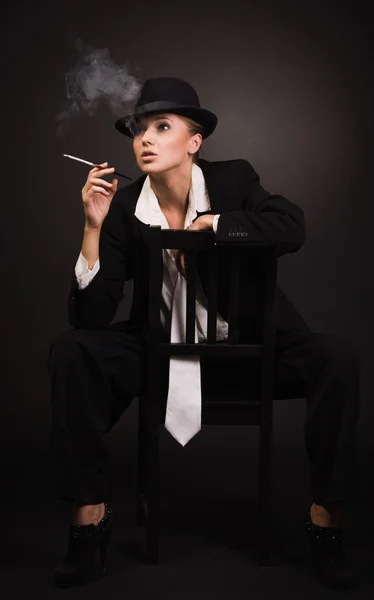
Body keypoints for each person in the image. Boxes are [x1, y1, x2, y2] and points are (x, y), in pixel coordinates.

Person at [48, 77, 360, 588]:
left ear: (193, 142)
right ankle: (88, 525)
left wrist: (215, 225)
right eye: (138, 130)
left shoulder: (234, 180)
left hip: (246, 350)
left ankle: (327, 524)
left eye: (161, 127)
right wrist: (92, 227)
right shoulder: (124, 208)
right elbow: (91, 318)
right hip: (161, 357)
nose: (144, 139)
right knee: (73, 350)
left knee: (337, 357)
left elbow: (291, 225)